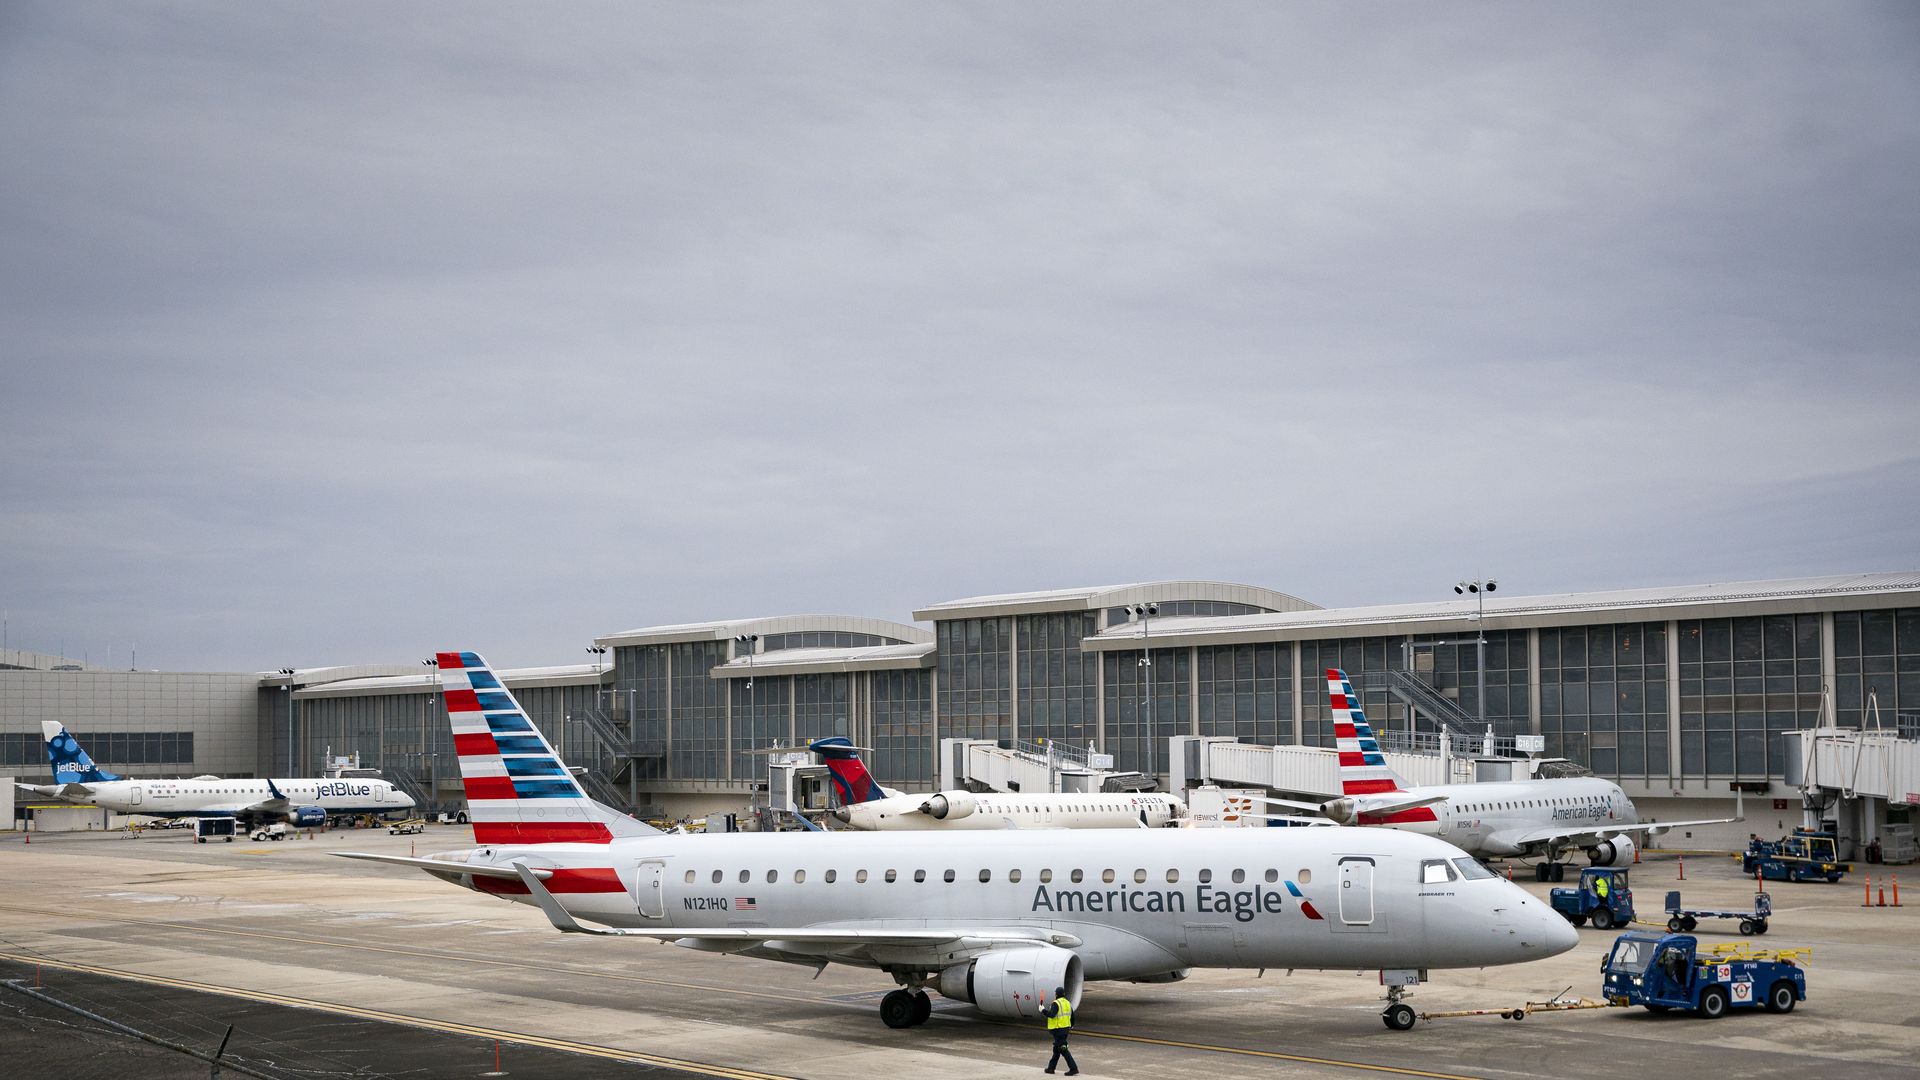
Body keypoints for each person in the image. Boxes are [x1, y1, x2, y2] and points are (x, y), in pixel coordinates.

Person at [1041, 985, 1078, 1075]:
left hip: (1058, 1030)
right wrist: (1071, 1025)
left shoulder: (1056, 1003)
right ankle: (1051, 1068)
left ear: (1056, 994)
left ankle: (1073, 1069)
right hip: (1065, 1029)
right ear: (1064, 994)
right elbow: (1072, 1016)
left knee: (1063, 1049)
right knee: (1057, 1050)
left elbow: (1052, 1014)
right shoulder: (1067, 1003)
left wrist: (1043, 1010)